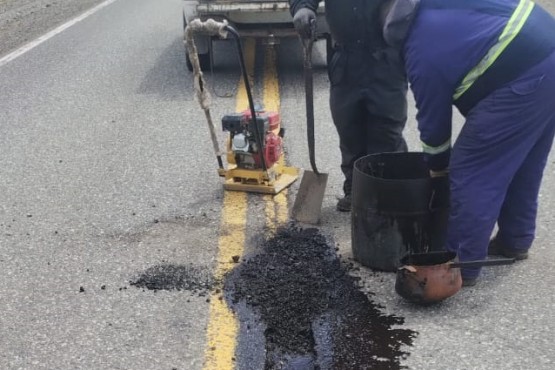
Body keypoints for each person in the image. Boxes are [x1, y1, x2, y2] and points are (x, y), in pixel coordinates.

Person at [382, 0, 555, 285]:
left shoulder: (418, 48)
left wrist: (437, 169)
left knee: (472, 168)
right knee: (524, 159)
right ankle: (515, 239)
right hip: (547, 49)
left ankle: (462, 266)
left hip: (526, 73)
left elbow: (433, 126)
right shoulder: (439, 6)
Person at [289, 0, 409, 211]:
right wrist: (303, 6)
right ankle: (356, 189)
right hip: (346, 58)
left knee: (387, 128)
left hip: (386, 57)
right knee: (349, 127)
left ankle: (386, 191)